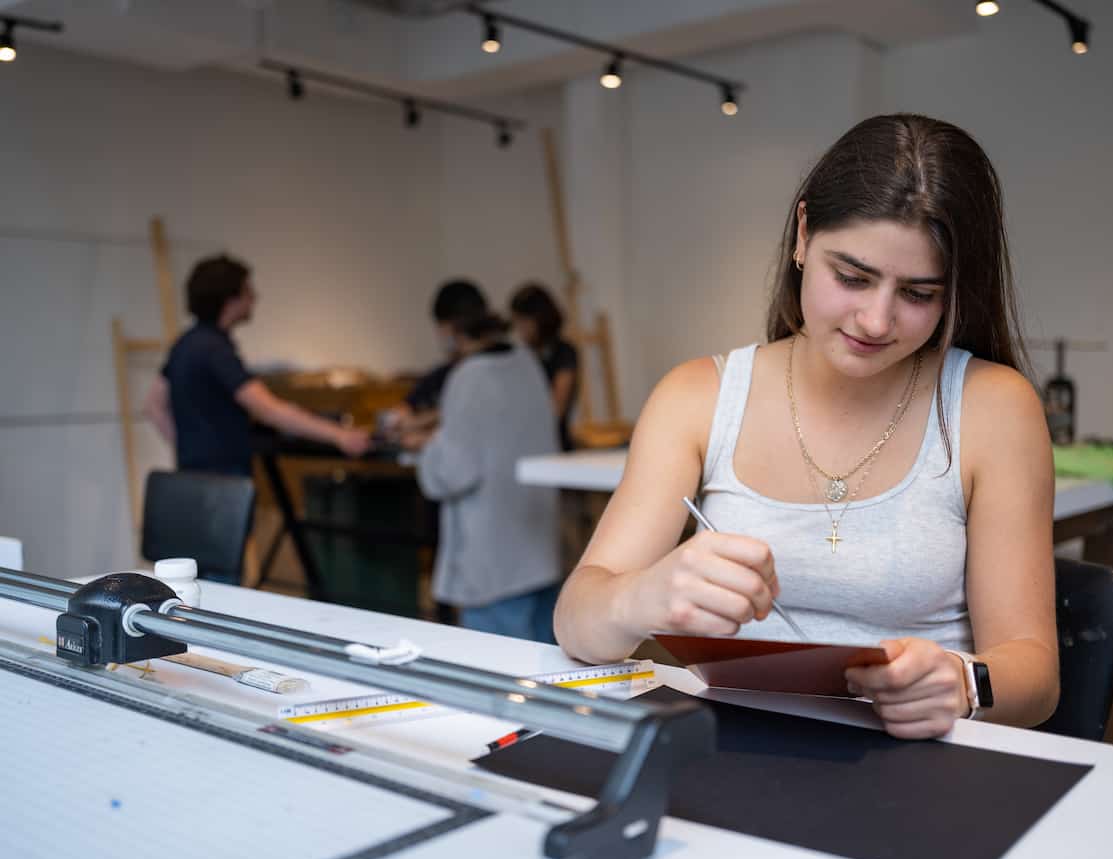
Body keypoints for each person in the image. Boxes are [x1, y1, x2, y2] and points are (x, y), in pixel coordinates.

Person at [553, 114, 1059, 740]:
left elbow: (1035, 677)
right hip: (733, 751)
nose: (876, 320)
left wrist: (964, 681)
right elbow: (576, 620)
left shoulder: (992, 406)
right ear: (801, 234)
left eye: (920, 294)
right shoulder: (698, 397)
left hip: (920, 763)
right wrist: (643, 597)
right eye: (851, 277)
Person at [398, 309, 561, 642]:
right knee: (548, 666)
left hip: (493, 559)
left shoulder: (469, 377)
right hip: (537, 545)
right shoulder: (527, 363)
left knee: (498, 672)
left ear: (451, 331)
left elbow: (454, 471)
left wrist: (427, 450)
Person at [143, 254, 371, 475]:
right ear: (230, 300)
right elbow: (268, 410)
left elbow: (154, 406)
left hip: (194, 479)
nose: (254, 298)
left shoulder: (185, 343)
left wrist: (191, 450)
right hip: (225, 486)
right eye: (248, 291)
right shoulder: (215, 350)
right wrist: (339, 435)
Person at [386, 280, 488, 444]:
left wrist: (423, 432)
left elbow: (470, 427)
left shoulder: (482, 374)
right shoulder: (443, 373)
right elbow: (404, 409)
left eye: (441, 327)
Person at [510, 283, 579, 450]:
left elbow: (556, 409)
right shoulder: (521, 355)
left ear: (539, 318)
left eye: (523, 321)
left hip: (555, 442)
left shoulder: (563, 352)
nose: (520, 329)